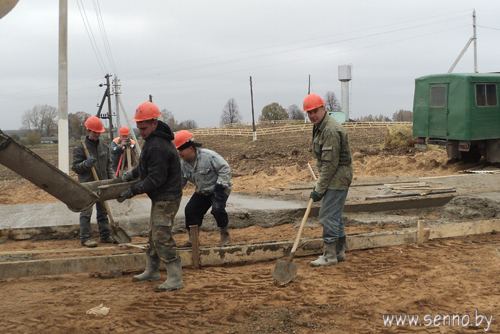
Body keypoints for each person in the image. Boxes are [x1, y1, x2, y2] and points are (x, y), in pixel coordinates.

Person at [117, 102, 184, 292]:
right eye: (138, 128)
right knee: (154, 234)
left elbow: (156, 178)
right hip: (161, 196)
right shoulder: (153, 141)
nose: (140, 132)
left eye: (143, 128)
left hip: (167, 196)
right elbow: (147, 166)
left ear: (154, 123)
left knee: (161, 235)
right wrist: (133, 173)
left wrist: (133, 190)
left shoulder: (159, 146)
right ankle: (152, 271)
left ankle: (175, 278)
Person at [303, 93, 353, 267]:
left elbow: (330, 164)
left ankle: (329, 256)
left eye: (315, 111)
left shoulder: (330, 130)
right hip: (334, 175)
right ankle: (339, 253)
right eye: (309, 112)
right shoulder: (320, 126)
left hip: (337, 177)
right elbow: (324, 162)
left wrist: (319, 189)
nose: (312, 115)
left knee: (328, 215)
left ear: (324, 108)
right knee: (335, 216)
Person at [174, 130, 232, 247]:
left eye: (181, 150)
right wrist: (173, 193)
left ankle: (224, 234)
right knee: (190, 210)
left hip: (218, 188)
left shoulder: (209, 156)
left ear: (190, 148)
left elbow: (225, 169)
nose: (179, 153)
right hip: (202, 190)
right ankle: (193, 240)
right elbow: (180, 181)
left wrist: (220, 187)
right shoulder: (183, 164)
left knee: (217, 209)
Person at [72, 116, 115, 247]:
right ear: (88, 131)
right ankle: (85, 238)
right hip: (87, 185)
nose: (97, 134)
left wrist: (111, 180)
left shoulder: (104, 147)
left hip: (102, 184)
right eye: (94, 132)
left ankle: (105, 236)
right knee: (86, 213)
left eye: (98, 132)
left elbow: (109, 164)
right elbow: (75, 168)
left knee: (103, 212)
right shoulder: (79, 149)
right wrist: (85, 164)